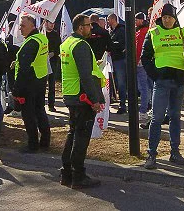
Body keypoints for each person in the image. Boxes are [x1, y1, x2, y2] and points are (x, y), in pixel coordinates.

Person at [60, 13, 105, 189]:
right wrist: (94, 100)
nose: (91, 27)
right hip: (82, 97)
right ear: (80, 27)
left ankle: (66, 173)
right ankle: (78, 176)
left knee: (73, 133)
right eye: (88, 25)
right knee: (81, 137)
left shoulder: (67, 43)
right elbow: (85, 76)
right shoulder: (81, 45)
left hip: (71, 94)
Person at [140, 3, 184, 169]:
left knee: (175, 116)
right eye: (165, 17)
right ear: (161, 18)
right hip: (162, 82)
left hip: (179, 80)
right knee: (157, 118)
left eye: (170, 17)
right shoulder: (153, 32)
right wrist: (155, 74)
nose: (167, 20)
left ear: (175, 18)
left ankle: (175, 151)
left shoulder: (182, 32)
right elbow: (144, 57)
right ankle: (151, 154)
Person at [12, 14, 51, 152]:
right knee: (40, 111)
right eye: (20, 25)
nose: (20, 29)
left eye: (23, 26)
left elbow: (24, 69)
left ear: (32, 26)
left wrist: (16, 90)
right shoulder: (42, 38)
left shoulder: (31, 42)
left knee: (28, 115)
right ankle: (45, 141)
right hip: (40, 80)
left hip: (29, 83)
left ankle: (33, 144)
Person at [134, 12, 153, 127]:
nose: (135, 22)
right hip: (147, 63)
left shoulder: (142, 32)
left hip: (141, 64)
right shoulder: (144, 31)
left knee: (144, 88)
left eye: (137, 20)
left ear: (141, 20)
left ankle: (143, 111)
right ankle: (149, 108)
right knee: (150, 86)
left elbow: (139, 48)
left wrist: (136, 61)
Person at [108, 13, 128, 114]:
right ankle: (120, 101)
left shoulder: (121, 30)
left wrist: (112, 45)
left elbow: (122, 44)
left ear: (113, 19)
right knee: (118, 82)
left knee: (121, 83)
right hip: (114, 59)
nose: (107, 21)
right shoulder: (111, 31)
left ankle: (123, 104)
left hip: (120, 59)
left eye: (108, 19)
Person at [44, 19, 62, 112]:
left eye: (53, 23)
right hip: (42, 62)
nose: (52, 25)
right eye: (50, 23)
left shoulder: (55, 34)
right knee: (42, 84)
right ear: (45, 23)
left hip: (53, 61)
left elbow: (60, 47)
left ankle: (51, 105)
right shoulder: (42, 34)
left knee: (52, 83)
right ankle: (41, 104)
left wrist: (53, 53)